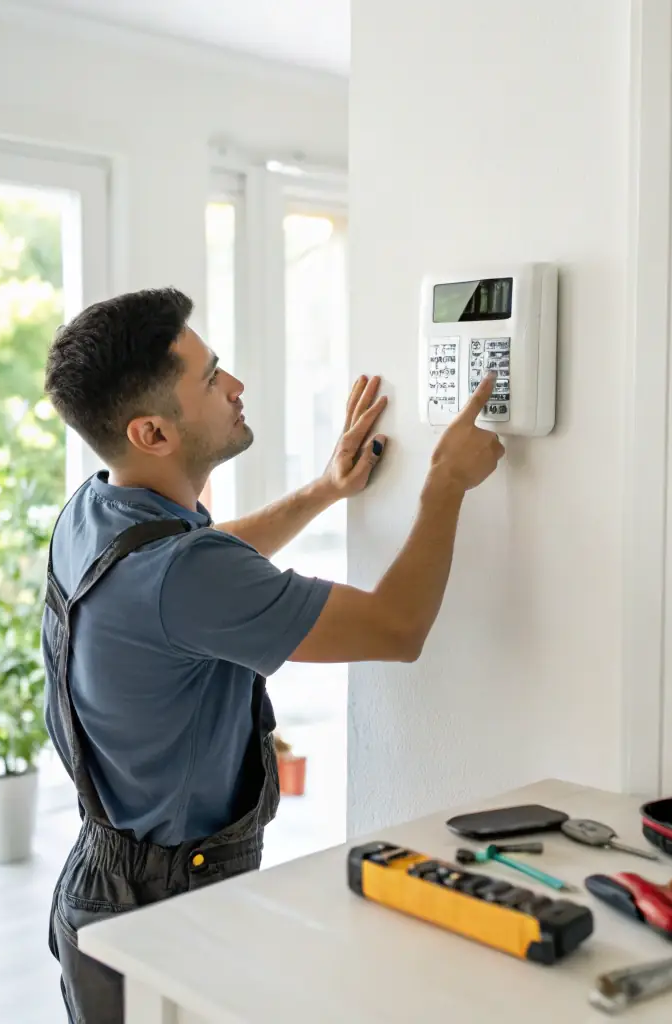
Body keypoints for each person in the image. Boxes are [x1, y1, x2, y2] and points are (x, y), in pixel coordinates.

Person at [39, 286, 504, 1023]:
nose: (236, 386)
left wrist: (324, 491)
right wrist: (445, 481)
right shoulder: (182, 577)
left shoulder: (97, 508)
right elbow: (395, 628)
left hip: (102, 889)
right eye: (210, 376)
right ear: (152, 434)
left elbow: (201, 564)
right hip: (166, 908)